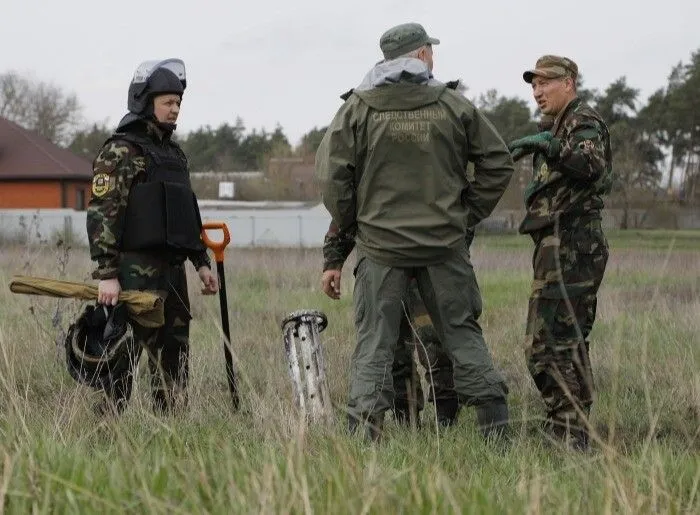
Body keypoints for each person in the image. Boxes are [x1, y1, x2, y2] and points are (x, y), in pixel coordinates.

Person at [316, 22, 514, 441]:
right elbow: (498, 163)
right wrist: (464, 216)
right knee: (461, 333)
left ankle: (363, 434)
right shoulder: (453, 106)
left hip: (380, 249)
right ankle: (496, 430)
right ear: (421, 55)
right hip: (444, 246)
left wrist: (357, 223)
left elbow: (332, 178)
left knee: (374, 343)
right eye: (431, 51)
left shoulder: (358, 109)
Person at [86, 58, 218, 415]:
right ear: (145, 101)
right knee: (122, 354)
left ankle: (169, 428)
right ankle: (109, 430)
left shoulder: (174, 155)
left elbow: (186, 212)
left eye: (178, 103)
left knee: (174, 355)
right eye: (168, 102)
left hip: (172, 272)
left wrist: (201, 262)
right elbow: (103, 213)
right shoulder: (121, 150)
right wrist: (108, 274)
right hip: (132, 272)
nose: (175, 109)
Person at [508, 55, 612, 450]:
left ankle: (569, 430)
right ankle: (574, 431)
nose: (537, 92)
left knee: (544, 344)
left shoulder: (582, 121)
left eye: (545, 83)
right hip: (561, 244)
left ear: (568, 83)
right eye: (533, 85)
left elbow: (591, 164)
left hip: (571, 245)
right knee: (569, 341)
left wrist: (550, 146)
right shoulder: (562, 125)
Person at [322, 220, 474, 428]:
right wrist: (334, 259)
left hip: (432, 263)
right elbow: (348, 206)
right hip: (385, 264)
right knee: (392, 351)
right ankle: (407, 422)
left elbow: (463, 207)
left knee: (437, 346)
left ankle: (447, 422)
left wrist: (454, 248)